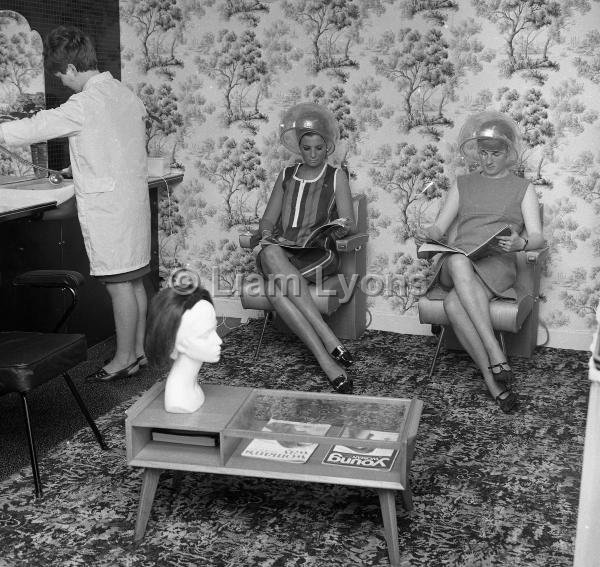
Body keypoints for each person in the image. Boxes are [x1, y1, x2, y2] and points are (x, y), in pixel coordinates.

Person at [0, 26, 150, 382]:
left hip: (111, 208)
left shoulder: (84, 103)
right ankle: (139, 352)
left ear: (69, 68)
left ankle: (124, 358)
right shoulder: (124, 94)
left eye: (60, 77)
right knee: (134, 281)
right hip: (129, 201)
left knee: (119, 285)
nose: (62, 84)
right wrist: (76, 165)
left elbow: (35, 127)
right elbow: (115, 143)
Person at [415, 111, 545, 413]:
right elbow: (440, 227)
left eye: (495, 154)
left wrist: (521, 243)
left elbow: (537, 237)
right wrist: (430, 235)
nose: (487, 160)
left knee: (452, 305)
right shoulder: (463, 183)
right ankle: (495, 351)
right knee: (459, 261)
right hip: (457, 264)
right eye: (483, 153)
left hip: (495, 265)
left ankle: (493, 382)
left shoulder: (523, 188)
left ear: (509, 153)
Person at [253, 102, 356, 394]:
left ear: (328, 147)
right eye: (306, 148)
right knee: (270, 252)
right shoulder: (286, 175)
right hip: (283, 252)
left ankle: (326, 358)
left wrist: (338, 227)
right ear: (299, 147)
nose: (312, 155)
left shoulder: (337, 176)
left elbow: (349, 222)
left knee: (275, 289)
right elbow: (268, 219)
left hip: (317, 252)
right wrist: (265, 234)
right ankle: (328, 345)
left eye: (318, 148)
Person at [145, 283, 222, 413]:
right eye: (205, 335)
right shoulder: (178, 398)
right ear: (176, 342)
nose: (219, 340)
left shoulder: (191, 388)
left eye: (215, 329)